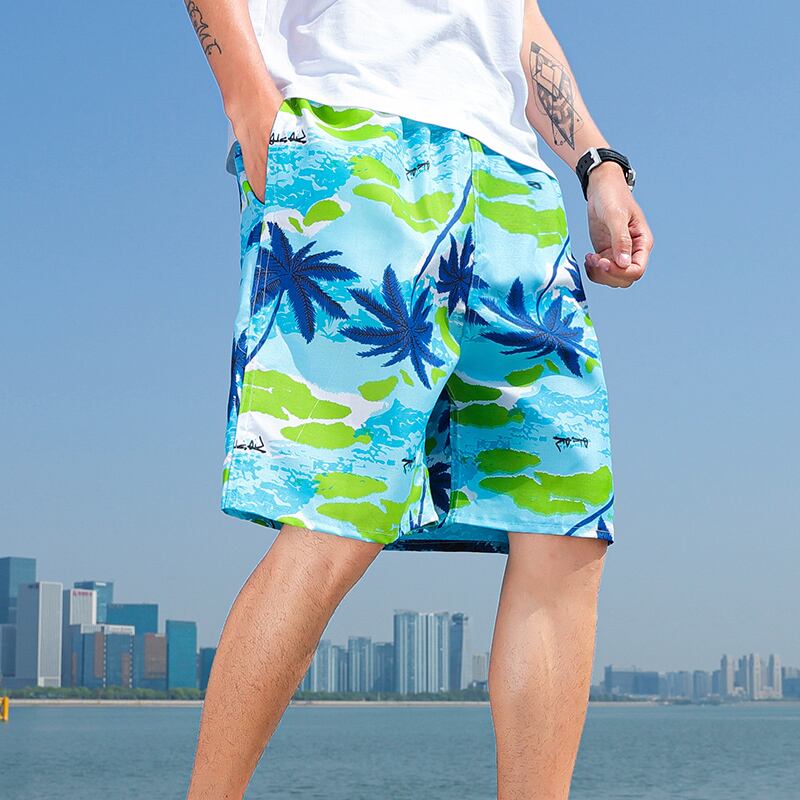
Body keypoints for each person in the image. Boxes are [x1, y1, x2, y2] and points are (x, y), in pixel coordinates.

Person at [183, 1, 653, 797]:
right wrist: (248, 102)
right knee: (335, 514)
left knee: (564, 528)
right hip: (360, 130)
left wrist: (597, 163)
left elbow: (516, 20)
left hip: (513, 180)